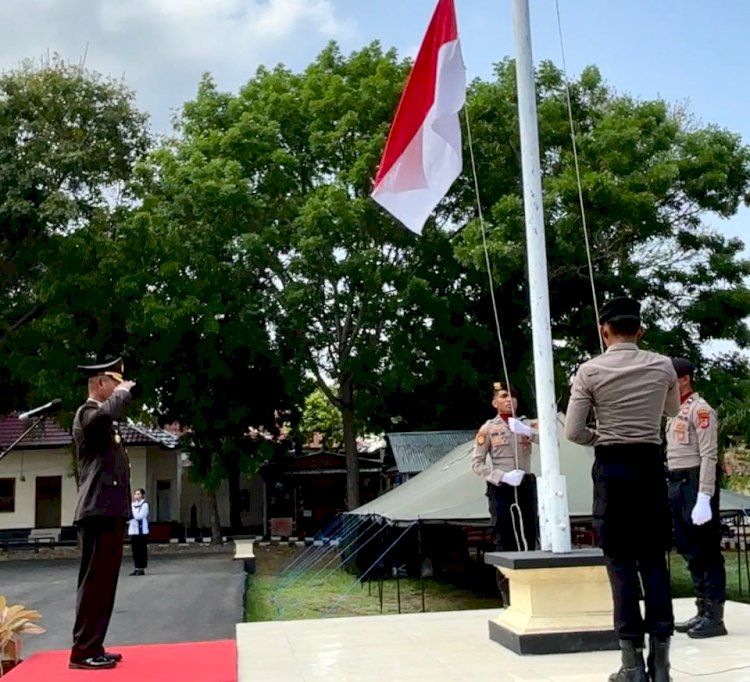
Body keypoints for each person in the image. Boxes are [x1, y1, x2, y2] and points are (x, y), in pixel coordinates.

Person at [564, 297, 680, 682]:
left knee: (620, 566)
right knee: (654, 563)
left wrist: (605, 434)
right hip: (650, 468)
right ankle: (661, 665)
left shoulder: (590, 371)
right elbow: (673, 411)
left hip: (612, 471)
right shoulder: (663, 365)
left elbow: (574, 430)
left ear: (604, 330)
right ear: (640, 330)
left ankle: (631, 664)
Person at [69, 357, 136, 671]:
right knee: (95, 582)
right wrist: (122, 394)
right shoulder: (88, 413)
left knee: (105, 583)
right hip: (97, 509)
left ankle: (93, 645)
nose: (119, 388)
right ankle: (82, 651)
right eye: (114, 382)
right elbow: (101, 420)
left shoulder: (104, 418)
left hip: (109, 510)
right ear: (99, 384)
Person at [667, 357, 727, 639]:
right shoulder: (673, 411)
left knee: (706, 550)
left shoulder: (700, 410)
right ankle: (701, 609)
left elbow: (708, 455)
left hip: (695, 482)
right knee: (688, 548)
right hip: (677, 481)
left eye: (671, 377)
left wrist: (704, 494)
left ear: (684, 379)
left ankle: (715, 616)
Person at [472, 381, 538, 602]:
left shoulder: (527, 424)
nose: (509, 400)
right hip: (502, 487)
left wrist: (528, 431)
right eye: (503, 396)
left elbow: (552, 441)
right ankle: (507, 594)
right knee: (504, 537)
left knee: (529, 533)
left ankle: (531, 589)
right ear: (494, 402)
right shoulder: (488, 428)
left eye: (513, 396)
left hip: (525, 484)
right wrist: (501, 476)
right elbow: (477, 464)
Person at [128, 488, 150, 576]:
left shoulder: (145, 505)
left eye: (138, 494)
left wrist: (132, 515)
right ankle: (136, 567)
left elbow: (139, 516)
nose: (136, 496)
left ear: (142, 495)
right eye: (135, 494)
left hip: (142, 531)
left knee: (142, 550)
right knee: (135, 550)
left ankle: (142, 568)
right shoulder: (132, 505)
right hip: (133, 531)